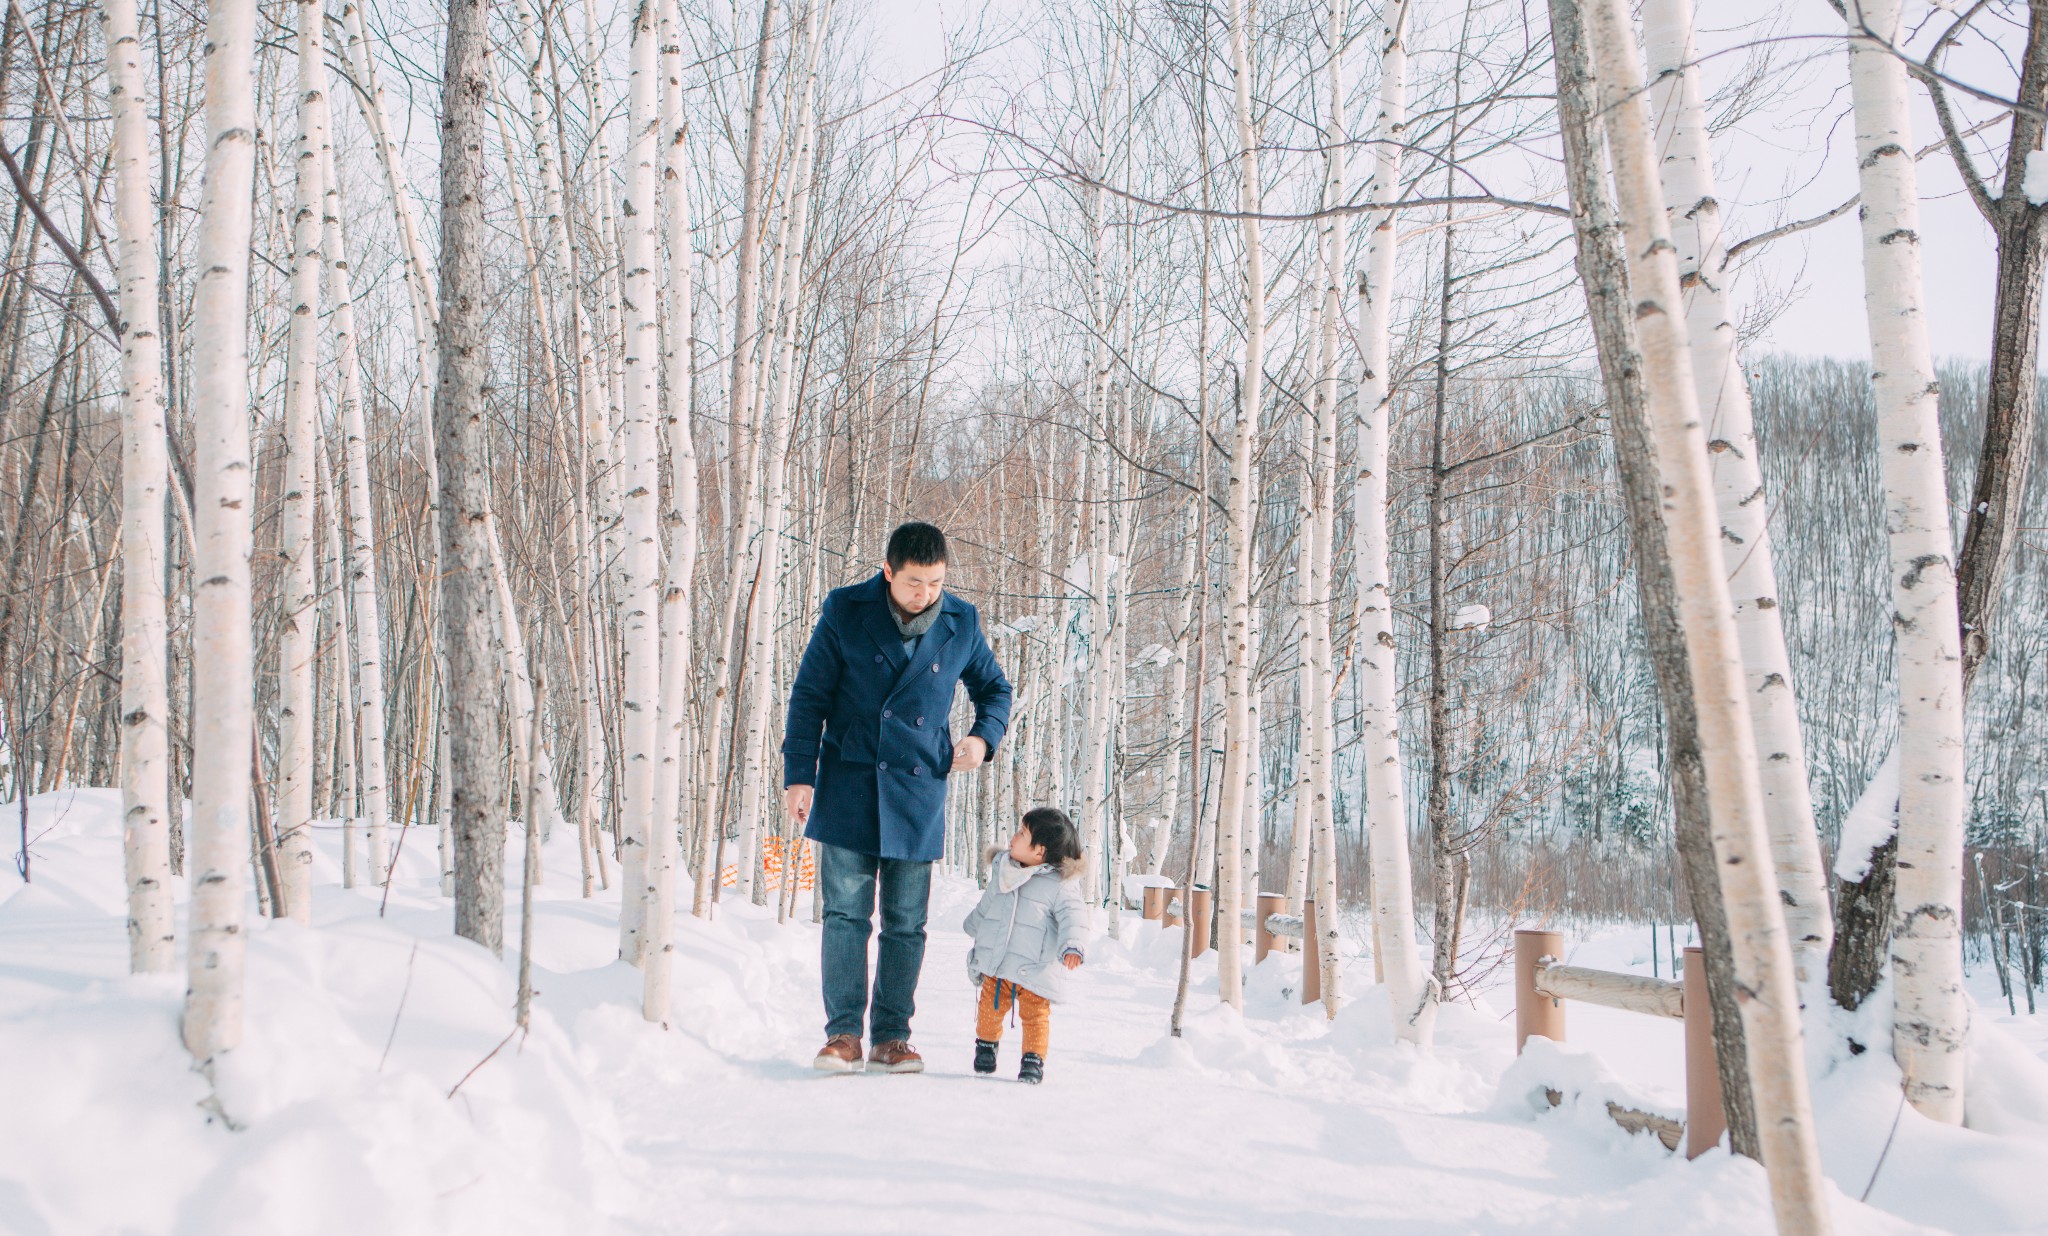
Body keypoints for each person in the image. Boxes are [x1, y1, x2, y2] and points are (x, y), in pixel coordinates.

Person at [782, 521, 1012, 1074]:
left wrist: (983, 738)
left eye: (935, 582)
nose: (925, 594)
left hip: (917, 789)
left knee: (906, 921)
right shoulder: (845, 609)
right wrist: (799, 774)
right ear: (888, 572)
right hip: (848, 781)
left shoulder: (961, 621)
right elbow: (809, 695)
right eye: (914, 582)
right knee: (844, 915)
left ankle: (892, 1037)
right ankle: (842, 1035)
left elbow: (995, 689)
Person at [961, 807, 1086, 1085]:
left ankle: (1033, 1059)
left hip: (1034, 967)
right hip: (1000, 961)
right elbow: (988, 904)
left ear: (1039, 852)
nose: (1014, 837)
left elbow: (1074, 916)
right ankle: (986, 1046)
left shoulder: (1059, 885)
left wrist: (1073, 945)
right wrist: (973, 925)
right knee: (989, 1009)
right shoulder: (1005, 871)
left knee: (1036, 1016)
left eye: (1022, 833)